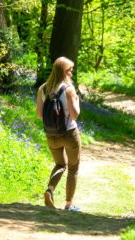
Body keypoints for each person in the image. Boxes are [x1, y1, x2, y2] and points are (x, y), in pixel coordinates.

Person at [36, 56, 81, 211]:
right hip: (69, 133)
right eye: (70, 69)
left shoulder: (43, 88)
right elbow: (75, 115)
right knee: (73, 168)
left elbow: (39, 115)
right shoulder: (68, 89)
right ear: (63, 71)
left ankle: (50, 190)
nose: (72, 72)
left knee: (60, 164)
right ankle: (69, 204)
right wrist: (77, 101)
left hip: (51, 135)